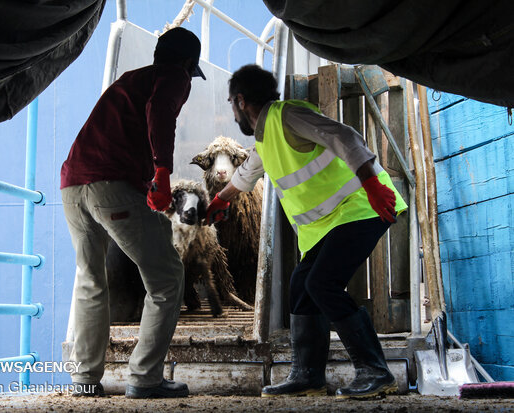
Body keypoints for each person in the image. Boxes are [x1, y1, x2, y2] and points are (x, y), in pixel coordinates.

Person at [206, 64, 407, 399]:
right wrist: (219, 200)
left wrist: (372, 184)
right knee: (302, 286)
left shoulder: (287, 116)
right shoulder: (267, 136)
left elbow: (344, 136)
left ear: (241, 101)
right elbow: (247, 173)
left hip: (362, 207)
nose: (233, 111)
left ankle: (375, 371)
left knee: (321, 283)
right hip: (330, 223)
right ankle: (307, 377)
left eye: (231, 103)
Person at [60, 27, 206, 398]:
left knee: (90, 280)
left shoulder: (130, 79)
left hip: (72, 185)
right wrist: (162, 171)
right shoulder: (173, 76)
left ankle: (84, 380)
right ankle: (145, 378)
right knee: (167, 277)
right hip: (110, 185)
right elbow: (160, 113)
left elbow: (120, 132)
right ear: (188, 64)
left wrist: (147, 182)